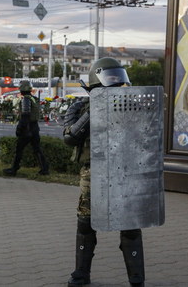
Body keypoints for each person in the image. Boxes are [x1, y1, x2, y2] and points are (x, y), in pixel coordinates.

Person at [63, 57, 144, 287]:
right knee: (85, 222)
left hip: (124, 171)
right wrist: (95, 109)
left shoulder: (131, 104)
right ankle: (81, 273)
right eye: (112, 79)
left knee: (129, 224)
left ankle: (137, 278)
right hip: (93, 171)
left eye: (120, 79)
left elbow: (146, 134)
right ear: (97, 81)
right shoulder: (80, 106)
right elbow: (69, 137)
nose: (117, 85)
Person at [3, 80, 49, 176]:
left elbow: (25, 114)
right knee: (37, 149)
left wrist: (19, 128)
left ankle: (14, 169)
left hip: (27, 128)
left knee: (19, 149)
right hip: (35, 127)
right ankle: (44, 169)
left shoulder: (26, 100)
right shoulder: (34, 99)